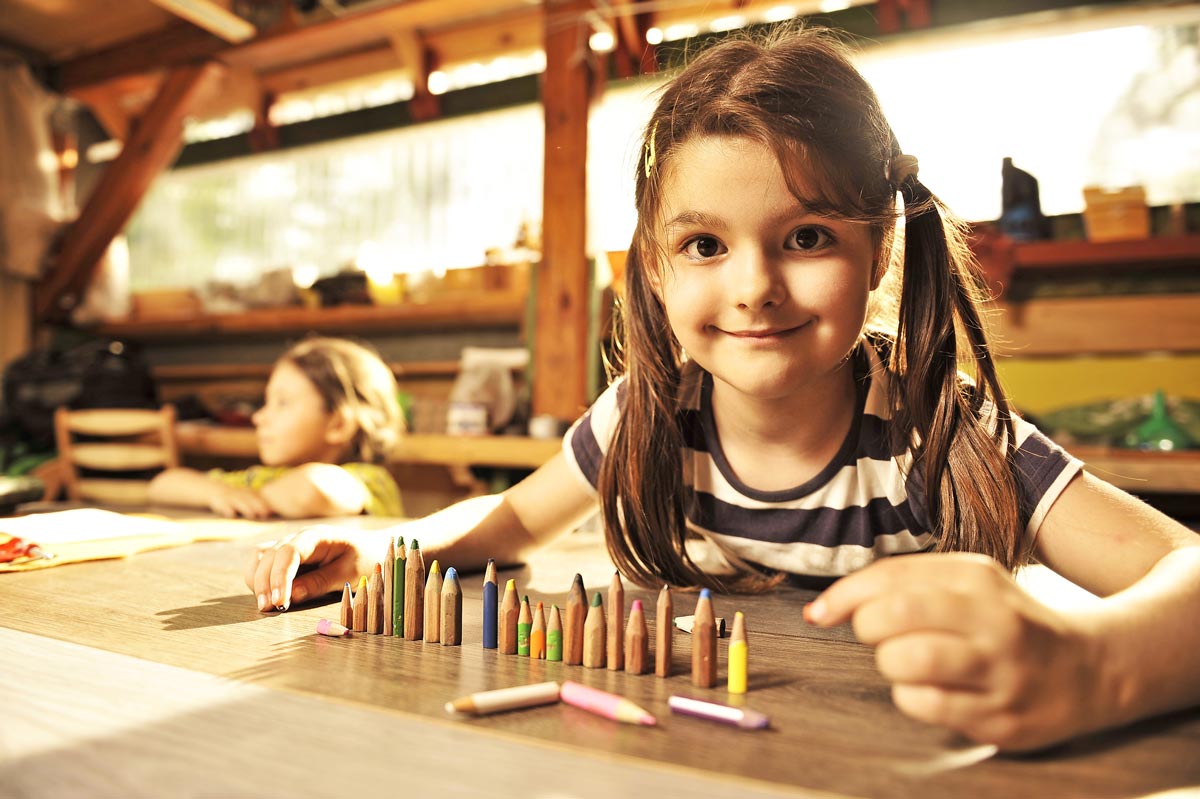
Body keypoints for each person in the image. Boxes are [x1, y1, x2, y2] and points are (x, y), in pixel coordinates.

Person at [246, 27, 1200, 751]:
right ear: (656, 272)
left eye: (808, 236)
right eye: (705, 244)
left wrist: (1097, 670)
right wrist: (385, 552)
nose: (753, 286)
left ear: (877, 256)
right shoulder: (644, 415)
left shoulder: (942, 432)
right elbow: (502, 526)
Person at [149, 336, 404, 519]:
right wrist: (219, 493)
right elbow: (162, 485)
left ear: (337, 425)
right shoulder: (266, 479)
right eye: (265, 402)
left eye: (282, 403)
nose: (259, 417)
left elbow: (313, 490)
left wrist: (255, 499)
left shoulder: (372, 481)